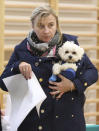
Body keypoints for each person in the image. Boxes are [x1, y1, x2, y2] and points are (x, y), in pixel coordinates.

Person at [0, 6, 98, 131]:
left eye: (51, 25)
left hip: (68, 120)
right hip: (34, 123)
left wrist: (73, 85)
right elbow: (3, 83)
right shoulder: (21, 49)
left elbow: (93, 72)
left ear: (56, 24)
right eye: (41, 26)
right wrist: (17, 66)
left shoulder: (70, 43)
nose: (46, 31)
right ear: (33, 26)